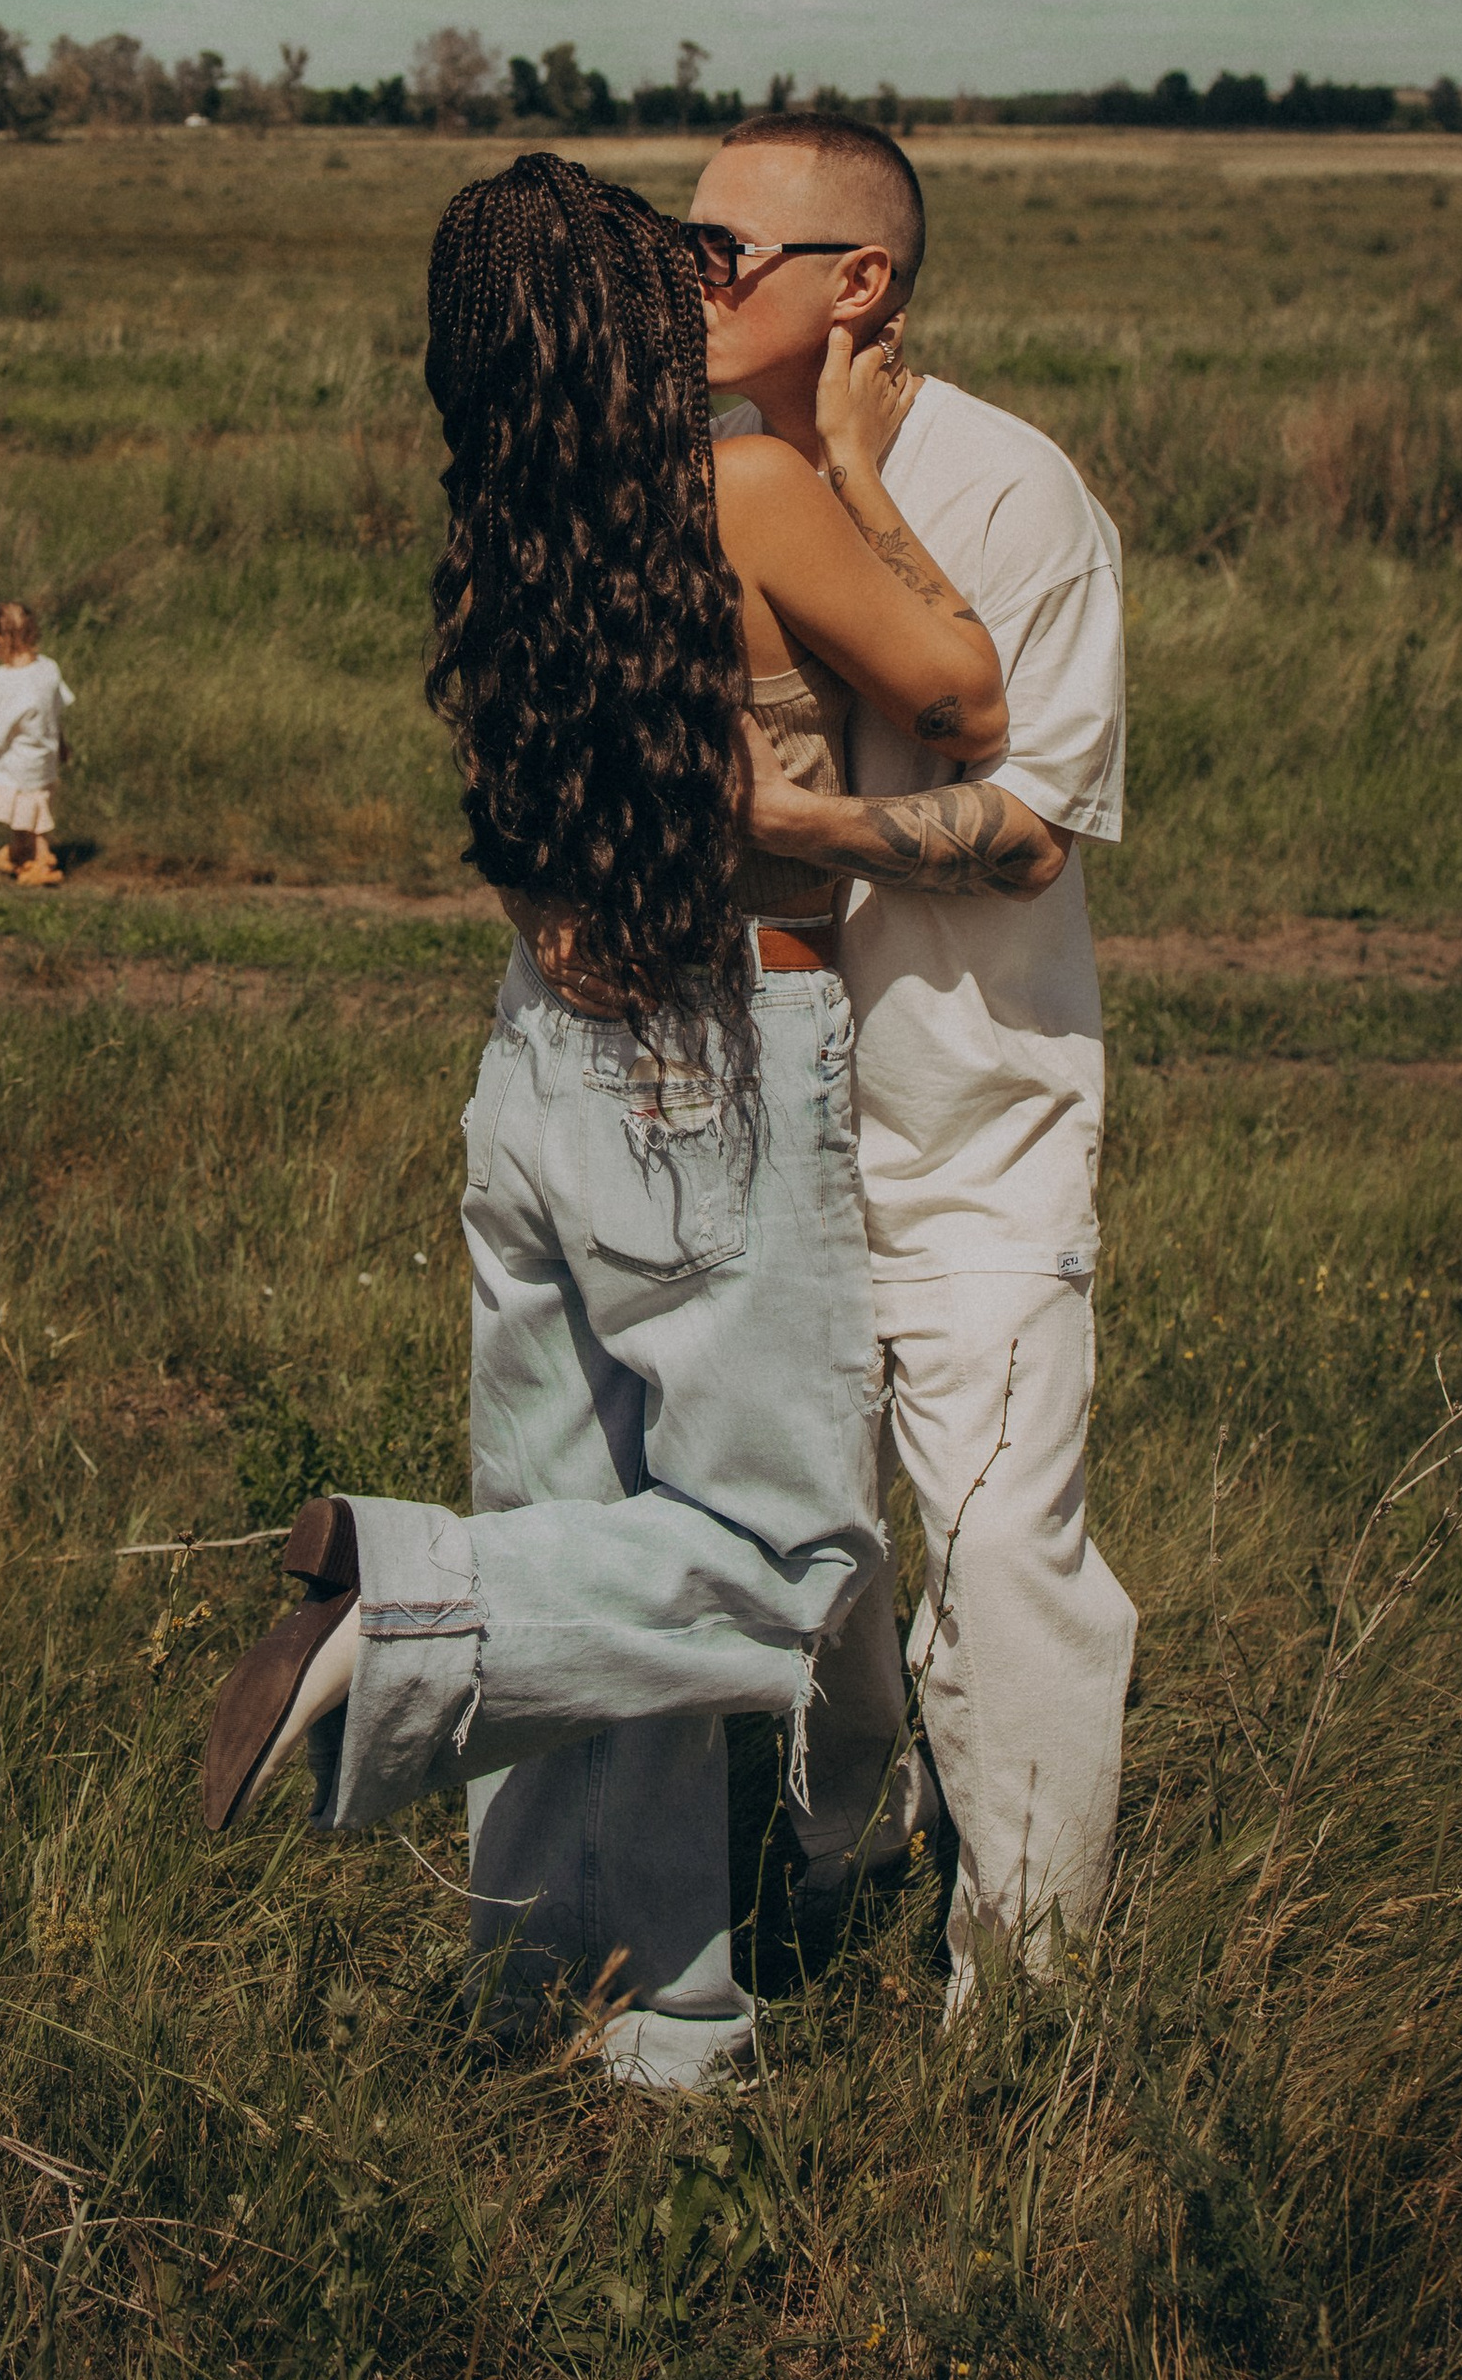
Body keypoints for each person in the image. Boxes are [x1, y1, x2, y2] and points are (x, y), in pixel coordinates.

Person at [199, 152, 1005, 2090]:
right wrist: (852, 459)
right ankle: (395, 1624)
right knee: (788, 1554)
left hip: (529, 1078)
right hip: (716, 1049)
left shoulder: (505, 527)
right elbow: (965, 695)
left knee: (587, 1546)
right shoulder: (739, 489)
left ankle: (615, 2019)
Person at [689, 108, 1134, 2002]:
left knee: (1009, 1560)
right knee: (817, 1561)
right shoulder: (696, 474)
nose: (683, 286)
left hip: (976, 1132)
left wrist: (794, 833)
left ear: (858, 281)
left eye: (723, 254)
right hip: (752, 1126)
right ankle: (827, 1864)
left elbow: (1031, 818)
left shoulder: (1011, 491)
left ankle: (1023, 2006)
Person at [0, 600, 73, 887]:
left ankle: (41, 860)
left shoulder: (5, 681)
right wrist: (62, 743)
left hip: (19, 762)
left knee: (28, 813)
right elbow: (54, 711)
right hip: (44, 756)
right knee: (34, 808)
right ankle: (21, 854)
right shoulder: (48, 669)